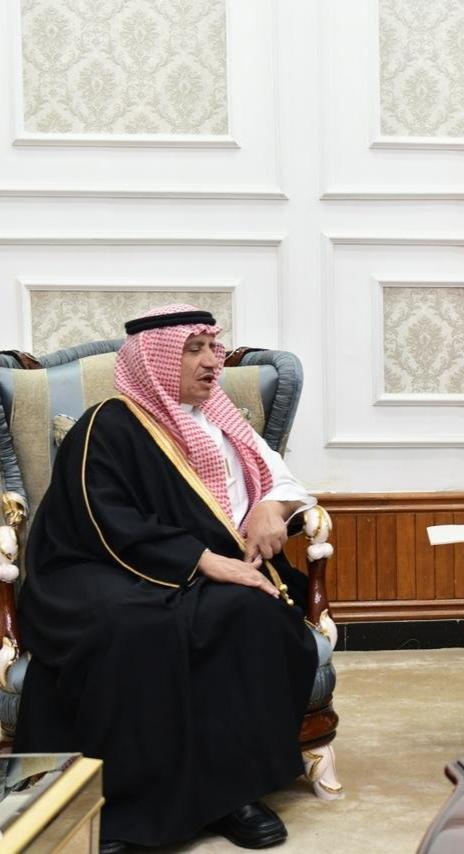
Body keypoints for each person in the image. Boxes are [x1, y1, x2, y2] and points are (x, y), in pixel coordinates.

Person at [13, 306, 320, 852]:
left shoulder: (226, 419)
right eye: (193, 349)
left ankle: (234, 793)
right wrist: (200, 559)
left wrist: (271, 508)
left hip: (213, 570)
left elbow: (283, 481)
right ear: (153, 360)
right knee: (131, 628)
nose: (212, 361)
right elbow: (102, 516)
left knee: (251, 616)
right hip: (105, 567)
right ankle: (119, 803)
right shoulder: (108, 424)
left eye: (213, 347)